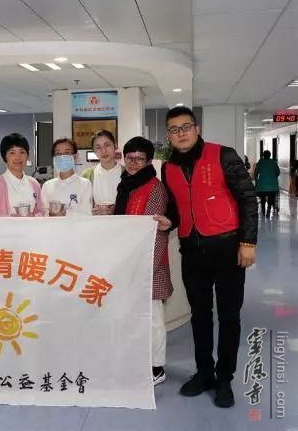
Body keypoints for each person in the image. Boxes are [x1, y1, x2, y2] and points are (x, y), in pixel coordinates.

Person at [157, 106, 258, 408]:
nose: (181, 133)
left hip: (227, 249)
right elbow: (176, 207)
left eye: (186, 126)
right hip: (192, 251)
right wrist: (169, 221)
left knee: (229, 315)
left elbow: (247, 198)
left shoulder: (223, 155)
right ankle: (204, 372)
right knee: (199, 315)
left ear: (197, 128)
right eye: (174, 129)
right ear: (168, 135)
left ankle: (224, 377)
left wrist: (248, 241)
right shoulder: (168, 168)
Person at [114, 137, 172, 386]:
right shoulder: (125, 185)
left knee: (153, 318)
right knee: (134, 317)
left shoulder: (155, 188)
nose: (133, 163)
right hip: (127, 264)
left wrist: (146, 269)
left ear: (149, 161)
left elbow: (156, 233)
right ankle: (138, 360)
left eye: (139, 159)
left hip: (150, 266)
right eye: (130, 158)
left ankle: (157, 367)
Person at [0, 133, 45, 216]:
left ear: (27, 155)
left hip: (31, 225)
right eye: (12, 153)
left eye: (22, 152)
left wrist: (33, 216)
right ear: (5, 157)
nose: (18, 157)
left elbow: (41, 211)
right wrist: (10, 218)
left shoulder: (34, 183)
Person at [41, 137, 93, 216]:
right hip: (52, 224)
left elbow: (87, 213)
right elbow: (42, 212)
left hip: (76, 224)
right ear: (54, 158)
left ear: (75, 157)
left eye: (67, 153)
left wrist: (66, 213)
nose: (62, 156)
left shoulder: (85, 184)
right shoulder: (47, 185)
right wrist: (50, 214)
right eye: (58, 153)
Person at [80, 130, 123, 215]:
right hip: (95, 222)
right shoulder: (87, 175)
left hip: (122, 222)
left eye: (107, 145)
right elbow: (80, 205)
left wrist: (117, 210)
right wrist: (90, 211)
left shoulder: (127, 174)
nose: (103, 151)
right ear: (94, 151)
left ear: (115, 145)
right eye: (98, 147)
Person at [254, 150, 280, 217]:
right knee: (271, 198)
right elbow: (278, 172)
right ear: (270, 155)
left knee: (262, 199)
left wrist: (256, 181)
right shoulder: (274, 163)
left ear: (263, 155)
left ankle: (263, 212)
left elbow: (255, 173)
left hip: (261, 186)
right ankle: (268, 211)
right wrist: (273, 177)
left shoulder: (260, 163)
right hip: (272, 187)